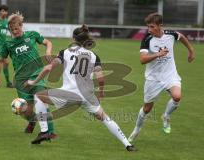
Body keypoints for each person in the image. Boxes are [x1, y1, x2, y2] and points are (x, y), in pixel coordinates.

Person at [26, 24, 137, 151]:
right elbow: (100, 78)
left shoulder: (65, 52)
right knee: (105, 118)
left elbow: (48, 68)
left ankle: (44, 131)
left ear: (73, 39)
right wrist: (101, 93)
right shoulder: (93, 56)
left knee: (38, 97)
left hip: (69, 94)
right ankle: (128, 144)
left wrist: (33, 82)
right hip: (87, 95)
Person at [128, 13, 195, 142]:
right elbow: (142, 60)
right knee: (147, 108)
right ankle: (137, 129)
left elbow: (182, 38)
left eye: (152, 26)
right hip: (153, 78)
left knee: (177, 96)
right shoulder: (147, 39)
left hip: (170, 75)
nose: (149, 29)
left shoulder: (171, 34)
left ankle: (166, 116)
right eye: (148, 26)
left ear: (160, 26)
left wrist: (191, 50)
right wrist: (158, 54)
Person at [0, 12, 56, 138]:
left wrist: (48, 53)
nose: (14, 31)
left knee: (41, 100)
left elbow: (48, 42)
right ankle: (32, 121)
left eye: (16, 28)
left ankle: (50, 131)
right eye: (11, 29)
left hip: (37, 74)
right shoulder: (8, 44)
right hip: (21, 80)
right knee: (26, 110)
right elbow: (0, 60)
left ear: (21, 26)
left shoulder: (32, 35)